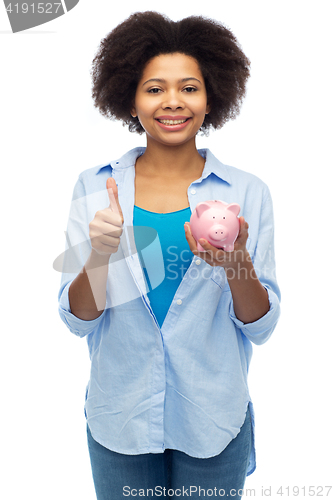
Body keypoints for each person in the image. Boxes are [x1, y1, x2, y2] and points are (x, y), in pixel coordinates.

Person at [58, 11, 281, 500]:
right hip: (121, 417)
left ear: (211, 96)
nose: (173, 102)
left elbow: (261, 327)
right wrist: (99, 255)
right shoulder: (96, 187)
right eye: (154, 88)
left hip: (213, 418)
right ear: (129, 98)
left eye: (189, 88)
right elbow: (78, 320)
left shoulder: (247, 191)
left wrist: (237, 261)